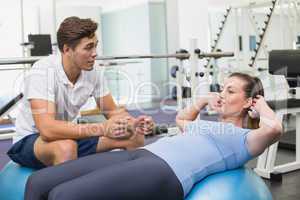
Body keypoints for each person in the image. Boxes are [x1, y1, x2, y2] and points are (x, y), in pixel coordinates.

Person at [25, 73, 282, 200]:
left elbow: (273, 130)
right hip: (142, 155)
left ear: (248, 101)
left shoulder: (244, 138)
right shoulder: (205, 125)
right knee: (38, 182)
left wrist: (261, 105)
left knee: (63, 196)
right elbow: (182, 119)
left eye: (231, 91)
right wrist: (203, 99)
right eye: (222, 88)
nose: (222, 94)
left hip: (165, 172)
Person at [7, 16, 154, 169]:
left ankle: (130, 187)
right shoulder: (43, 71)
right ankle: (67, 193)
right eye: (88, 47)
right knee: (66, 147)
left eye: (95, 46)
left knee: (134, 137)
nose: (95, 53)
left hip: (68, 135)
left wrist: (134, 123)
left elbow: (112, 112)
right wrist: (102, 128)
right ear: (67, 50)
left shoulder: (94, 72)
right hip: (29, 140)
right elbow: (47, 130)